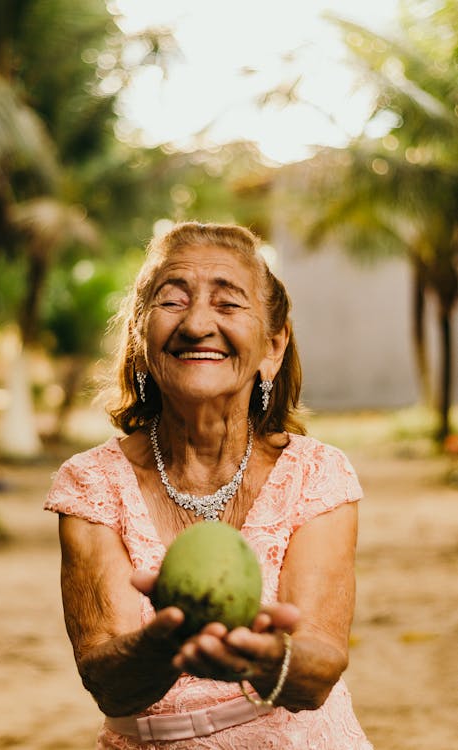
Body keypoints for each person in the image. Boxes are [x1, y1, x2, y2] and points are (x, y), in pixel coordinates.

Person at [45, 221, 373, 749]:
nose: (198, 324)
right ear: (139, 335)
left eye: (228, 304)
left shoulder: (316, 475)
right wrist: (166, 643)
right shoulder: (91, 484)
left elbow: (318, 670)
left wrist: (267, 658)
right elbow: (107, 683)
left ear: (273, 346)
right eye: (172, 301)